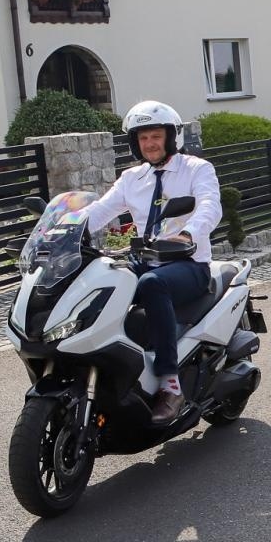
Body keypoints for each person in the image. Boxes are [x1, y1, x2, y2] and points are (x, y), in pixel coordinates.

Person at [85, 101, 222, 423]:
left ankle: (170, 383)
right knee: (100, 283)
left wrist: (188, 234)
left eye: (156, 136)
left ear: (171, 136)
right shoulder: (131, 179)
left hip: (189, 265)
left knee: (151, 284)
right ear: (135, 143)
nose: (150, 144)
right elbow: (100, 212)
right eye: (143, 138)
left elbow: (209, 206)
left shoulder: (196, 169)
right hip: (144, 260)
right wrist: (64, 232)